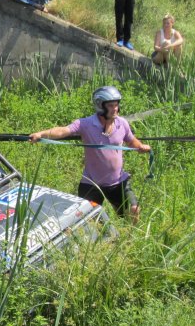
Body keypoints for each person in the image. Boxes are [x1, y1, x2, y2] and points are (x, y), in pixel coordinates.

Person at [29, 86, 151, 223]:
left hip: (117, 182)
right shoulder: (86, 124)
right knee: (90, 221)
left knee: (133, 209)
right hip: (92, 183)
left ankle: (130, 237)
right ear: (100, 106)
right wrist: (41, 134)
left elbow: (131, 140)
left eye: (116, 105)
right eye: (111, 106)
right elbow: (63, 131)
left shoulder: (122, 123)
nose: (115, 109)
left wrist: (140, 147)